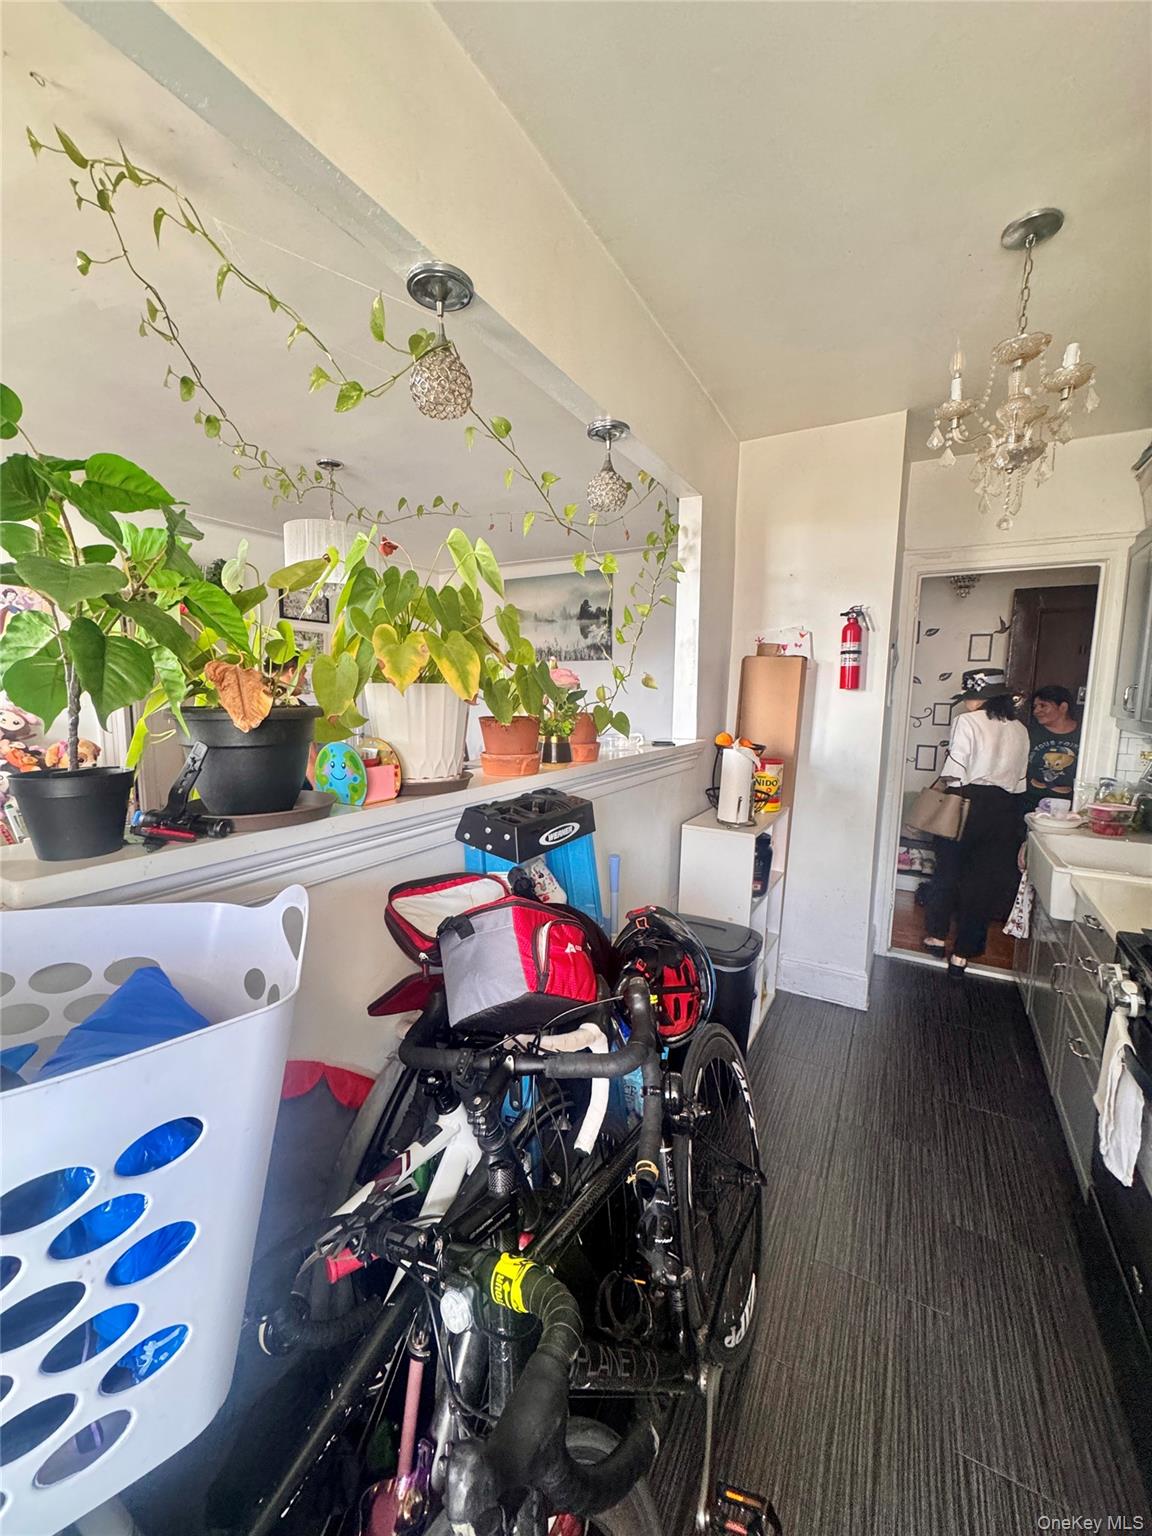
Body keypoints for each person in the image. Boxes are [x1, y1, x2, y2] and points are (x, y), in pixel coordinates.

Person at [922, 668, 1029, 978]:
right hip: (1006, 810)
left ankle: (937, 935)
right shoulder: (1020, 729)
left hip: (966, 803)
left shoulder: (966, 722)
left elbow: (955, 772)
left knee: (947, 872)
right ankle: (962, 955)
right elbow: (1020, 781)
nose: (967, 704)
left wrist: (937, 791)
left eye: (971, 697)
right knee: (983, 884)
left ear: (983, 698)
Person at [1025, 684, 1081, 811]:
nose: (1036, 711)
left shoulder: (1085, 734)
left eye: (1043, 705)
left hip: (1070, 805)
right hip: (1030, 801)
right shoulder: (1029, 733)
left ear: (1063, 707)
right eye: (1035, 707)